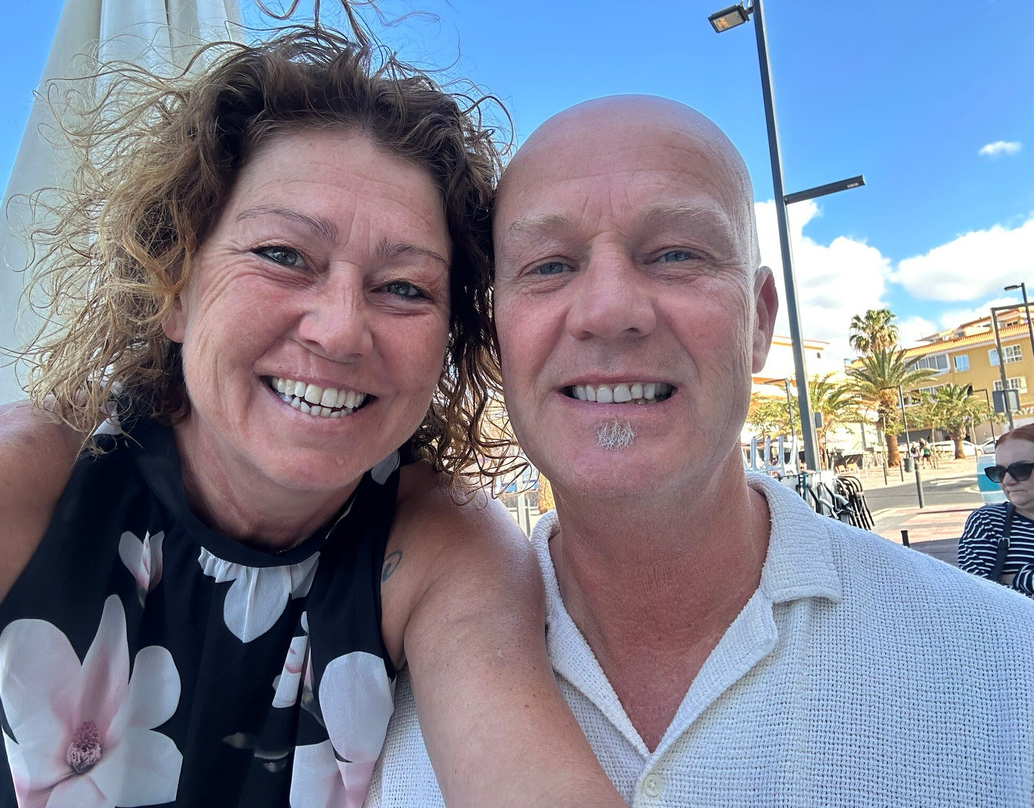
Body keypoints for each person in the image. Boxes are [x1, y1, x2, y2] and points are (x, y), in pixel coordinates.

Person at [0, 28, 628, 808]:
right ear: (174, 287)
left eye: (405, 287)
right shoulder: (29, 484)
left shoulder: (440, 546)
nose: (340, 331)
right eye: (282, 255)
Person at [366, 95, 1034, 806]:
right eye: (549, 265)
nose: (609, 311)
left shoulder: (1007, 668)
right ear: (497, 333)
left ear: (759, 321)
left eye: (677, 254)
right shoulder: (359, 702)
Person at [960, 424, 1034, 596]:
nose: (1007, 481)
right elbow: (978, 596)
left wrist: (1019, 579)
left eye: (1020, 470)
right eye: (999, 472)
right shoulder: (987, 523)